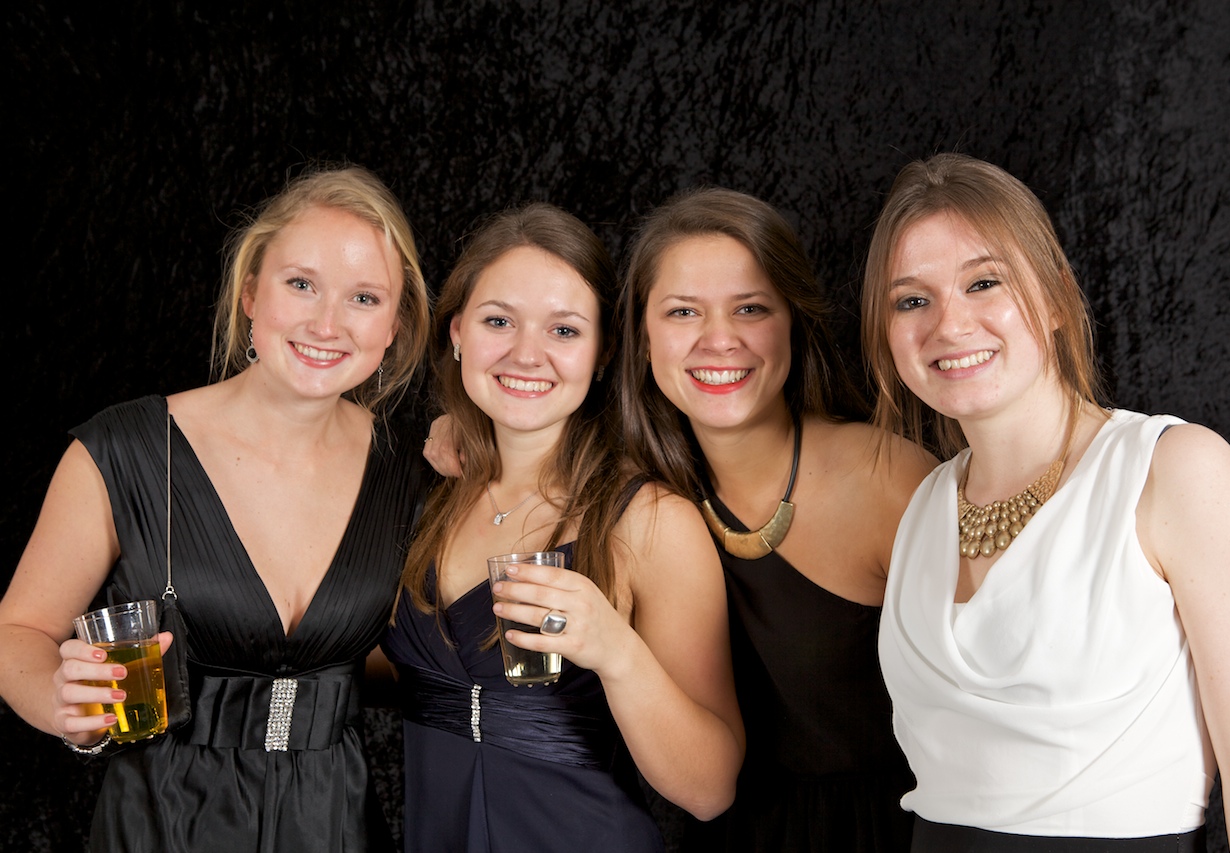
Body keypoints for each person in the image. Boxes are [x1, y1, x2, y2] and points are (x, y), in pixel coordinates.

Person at [0, 165, 431, 852]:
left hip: (334, 824)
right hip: (160, 824)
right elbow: (18, 629)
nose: (327, 323)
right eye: (301, 284)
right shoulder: (122, 451)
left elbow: (406, 656)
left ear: (394, 325)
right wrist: (59, 700)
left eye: (363, 297)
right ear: (250, 292)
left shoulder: (413, 471)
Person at [863, 152, 1230, 851]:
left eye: (984, 282)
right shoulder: (926, 502)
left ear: (1057, 298)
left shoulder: (1175, 470)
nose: (949, 325)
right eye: (912, 300)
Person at [380, 202, 745, 853]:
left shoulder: (650, 521)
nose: (527, 354)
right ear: (458, 331)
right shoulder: (430, 496)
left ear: (602, 352)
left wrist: (615, 650)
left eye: (564, 330)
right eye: (499, 321)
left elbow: (711, 789)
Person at [616, 188, 936, 852]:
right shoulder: (635, 494)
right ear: (642, 339)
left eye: (751, 308)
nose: (719, 340)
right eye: (682, 311)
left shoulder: (888, 477)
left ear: (794, 322)